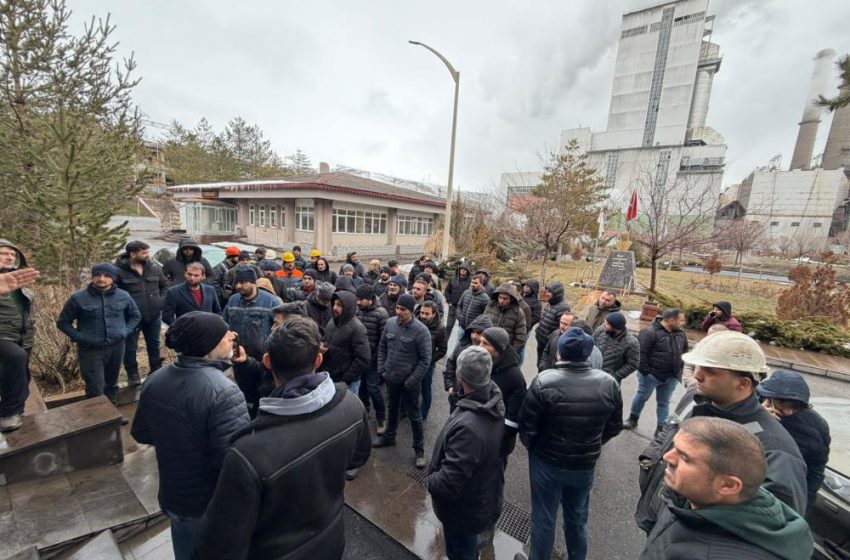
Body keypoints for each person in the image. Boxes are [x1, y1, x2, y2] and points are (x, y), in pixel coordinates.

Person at [195, 316, 371, 559]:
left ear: (267, 361)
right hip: (331, 541)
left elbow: (219, 545)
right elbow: (357, 458)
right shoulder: (352, 406)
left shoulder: (248, 451)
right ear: (318, 360)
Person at [635, 331, 809, 533]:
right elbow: (668, 431)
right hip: (662, 523)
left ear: (743, 384)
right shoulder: (695, 396)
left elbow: (771, 530)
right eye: (698, 366)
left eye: (710, 370)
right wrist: (649, 460)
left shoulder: (775, 450)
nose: (697, 374)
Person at [131, 312, 250, 560]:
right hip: (210, 503)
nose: (232, 336)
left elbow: (141, 432)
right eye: (224, 334)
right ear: (209, 345)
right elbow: (234, 461)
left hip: (175, 496)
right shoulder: (224, 392)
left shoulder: (155, 379)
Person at [640, 417, 814, 560]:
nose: (667, 457)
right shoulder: (692, 496)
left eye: (685, 457)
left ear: (728, 485)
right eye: (674, 448)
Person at [518, 327, 622, 560]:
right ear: (588, 354)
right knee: (577, 518)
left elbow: (527, 427)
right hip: (584, 465)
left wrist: (535, 449)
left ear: (559, 353)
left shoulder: (544, 381)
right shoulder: (609, 383)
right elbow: (614, 426)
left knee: (544, 518)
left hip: (547, 462)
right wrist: (591, 444)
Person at [428, 346, 505, 560]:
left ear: (460, 376)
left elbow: (449, 482)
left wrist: (431, 480)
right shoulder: (494, 398)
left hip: (464, 510)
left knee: (461, 551)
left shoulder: (469, 428)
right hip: (481, 494)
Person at [57, 263, 141, 404]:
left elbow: (135, 316)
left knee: (112, 384)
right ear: (92, 277)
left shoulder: (123, 296)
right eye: (97, 275)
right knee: (95, 387)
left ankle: (112, 416)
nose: (101, 278)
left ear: (113, 278)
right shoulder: (78, 298)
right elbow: (63, 322)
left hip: (116, 347)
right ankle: (97, 419)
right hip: (90, 350)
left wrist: (124, 332)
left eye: (107, 275)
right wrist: (79, 337)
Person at [757, 369, 831, 512]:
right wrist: (760, 418)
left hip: (786, 494)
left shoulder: (816, 426)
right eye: (783, 404)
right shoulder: (751, 410)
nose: (789, 411)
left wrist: (805, 505)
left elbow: (816, 470)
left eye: (796, 407)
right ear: (768, 398)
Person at [373, 294, 432, 468]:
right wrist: (382, 369)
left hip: (409, 383)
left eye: (403, 309)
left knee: (414, 415)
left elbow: (425, 360)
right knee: (392, 408)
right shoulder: (390, 323)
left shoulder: (421, 331)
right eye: (398, 308)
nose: (399, 312)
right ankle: (389, 437)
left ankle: (419, 450)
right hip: (391, 378)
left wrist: (411, 381)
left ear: (411, 310)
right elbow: (382, 346)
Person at [625, 308, 688, 434]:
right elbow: (641, 354)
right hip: (651, 376)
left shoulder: (681, 334)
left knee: (664, 403)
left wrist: (680, 370)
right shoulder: (649, 332)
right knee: (642, 396)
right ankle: (632, 419)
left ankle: (660, 429)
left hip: (671, 377)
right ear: (671, 320)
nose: (683, 323)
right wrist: (646, 373)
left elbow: (685, 352)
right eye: (681, 320)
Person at [115, 240, 168, 385]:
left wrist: (160, 302)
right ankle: (133, 375)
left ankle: (156, 372)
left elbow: (165, 286)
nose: (148, 255)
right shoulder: (118, 271)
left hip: (153, 315)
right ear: (132, 254)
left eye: (147, 252)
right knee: (130, 347)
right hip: (131, 318)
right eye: (144, 253)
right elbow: (112, 293)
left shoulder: (153, 268)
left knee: (154, 344)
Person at [0, 240, 36, 432]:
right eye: (3, 253)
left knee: (21, 376)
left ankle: (16, 410)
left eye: (12, 255)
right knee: (15, 357)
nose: (9, 257)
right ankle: (9, 413)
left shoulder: (18, 282)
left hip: (23, 336)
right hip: (2, 335)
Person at [478, 327, 527, 460]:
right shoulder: (484, 363)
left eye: (485, 343)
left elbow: (512, 422)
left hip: (496, 447)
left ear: (498, 348)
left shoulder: (515, 378)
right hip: (476, 439)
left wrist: (489, 436)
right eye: (480, 342)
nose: (480, 347)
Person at [221, 267, 281, 361]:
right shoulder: (233, 300)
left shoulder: (271, 302)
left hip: (260, 358)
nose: (238, 286)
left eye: (242, 282)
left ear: (253, 283)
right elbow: (223, 324)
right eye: (236, 283)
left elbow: (280, 330)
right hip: (236, 356)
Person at [355, 284, 388, 435]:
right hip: (359, 358)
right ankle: (364, 412)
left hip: (373, 360)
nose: (358, 302)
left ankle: (381, 418)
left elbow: (383, 341)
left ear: (369, 299)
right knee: (361, 387)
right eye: (357, 299)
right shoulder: (357, 311)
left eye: (361, 299)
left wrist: (374, 359)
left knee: (373, 389)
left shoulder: (381, 314)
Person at [323, 290, 370, 394]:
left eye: (339, 305)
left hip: (348, 384)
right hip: (331, 378)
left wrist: (344, 379)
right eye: (334, 304)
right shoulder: (332, 322)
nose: (335, 308)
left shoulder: (358, 328)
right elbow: (328, 340)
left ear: (348, 307)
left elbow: (363, 359)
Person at [444, 314, 493, 412]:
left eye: (479, 333)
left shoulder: (490, 355)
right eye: (473, 332)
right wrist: (450, 386)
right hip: (456, 398)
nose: (474, 336)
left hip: (475, 406)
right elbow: (451, 364)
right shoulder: (462, 345)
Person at [539, 313, 604, 372]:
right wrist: (542, 366)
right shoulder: (555, 334)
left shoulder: (579, 347)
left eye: (565, 324)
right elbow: (546, 351)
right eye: (561, 322)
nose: (562, 326)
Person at [418, 300, 447, 421]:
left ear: (434, 314)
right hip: (413, 361)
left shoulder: (440, 328)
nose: (423, 316)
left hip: (427, 365)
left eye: (427, 314)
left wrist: (430, 360)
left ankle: (423, 414)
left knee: (426, 390)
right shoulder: (417, 321)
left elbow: (443, 349)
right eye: (422, 313)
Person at [592, 311, 639, 383]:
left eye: (607, 324)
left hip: (608, 381)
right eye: (605, 322)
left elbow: (633, 364)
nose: (604, 325)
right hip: (592, 375)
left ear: (615, 327)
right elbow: (590, 347)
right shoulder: (600, 330)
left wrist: (615, 376)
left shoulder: (631, 343)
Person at [534, 281, 570, 367]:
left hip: (549, 347)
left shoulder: (563, 308)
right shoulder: (550, 304)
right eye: (547, 291)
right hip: (541, 345)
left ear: (556, 294)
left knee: (546, 369)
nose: (547, 294)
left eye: (549, 292)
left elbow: (561, 330)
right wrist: (537, 331)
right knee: (540, 366)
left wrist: (550, 340)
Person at [484, 283, 527, 355]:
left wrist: (513, 353)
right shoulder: (490, 306)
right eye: (500, 297)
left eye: (505, 298)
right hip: (488, 347)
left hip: (505, 350)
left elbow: (520, 337)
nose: (501, 300)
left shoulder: (518, 312)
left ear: (511, 299)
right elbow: (483, 324)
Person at [682, 324, 727, 388]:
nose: (710, 338)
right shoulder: (699, 346)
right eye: (708, 335)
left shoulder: (730, 353)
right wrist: (691, 382)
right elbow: (689, 366)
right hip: (695, 387)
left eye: (714, 336)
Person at [444, 262, 472, 339]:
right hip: (452, 306)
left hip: (463, 308)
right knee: (449, 326)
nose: (463, 271)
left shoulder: (470, 282)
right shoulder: (453, 279)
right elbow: (447, 291)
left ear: (468, 271)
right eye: (461, 269)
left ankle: (459, 346)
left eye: (465, 270)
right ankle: (444, 344)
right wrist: (449, 302)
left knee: (462, 327)